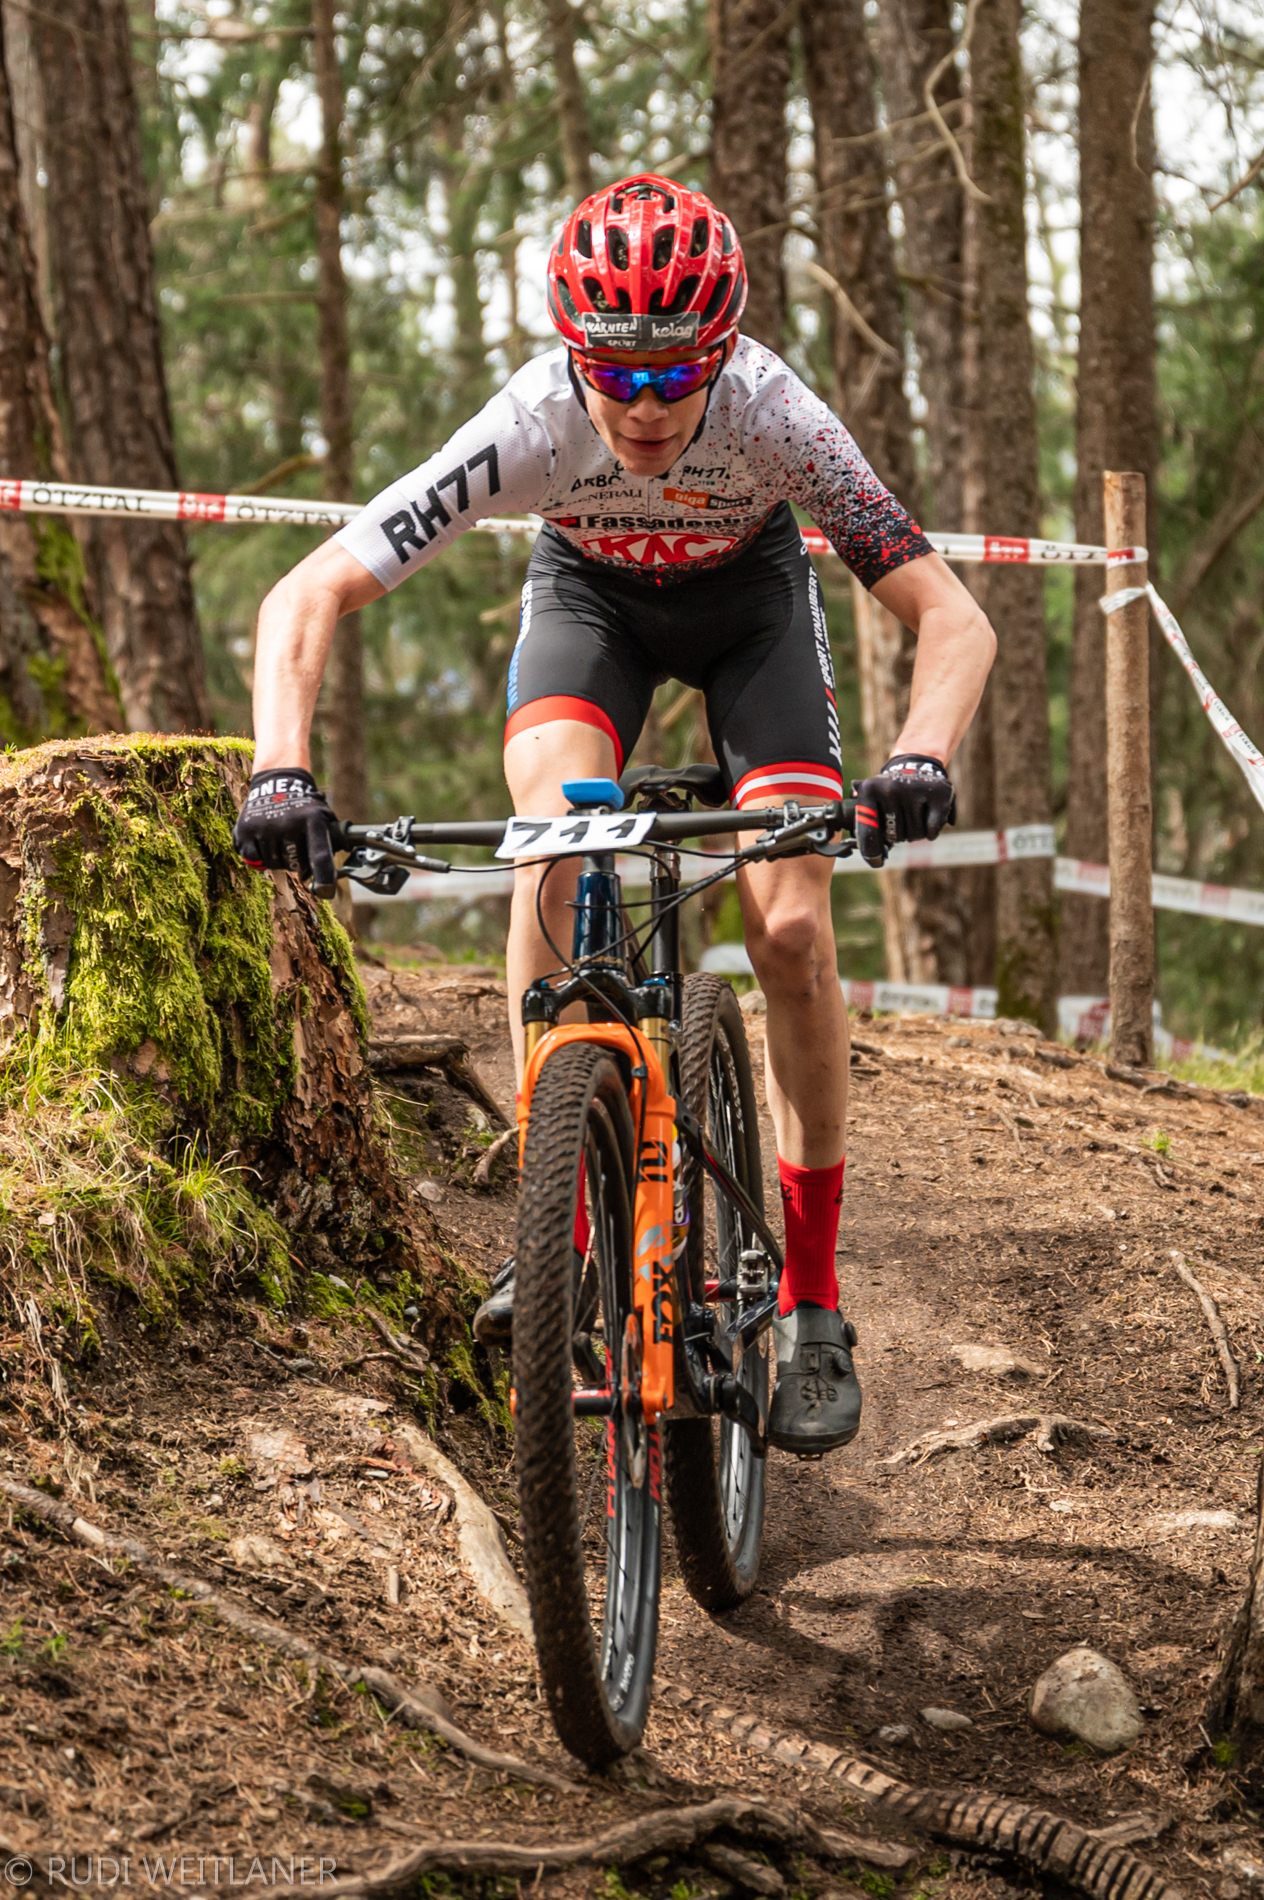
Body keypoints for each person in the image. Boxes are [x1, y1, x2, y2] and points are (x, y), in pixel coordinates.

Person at [236, 173, 995, 1456]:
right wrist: (279, 767)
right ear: (572, 356)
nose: (643, 407)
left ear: (725, 353)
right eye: (615, 376)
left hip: (751, 613)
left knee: (789, 928)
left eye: (676, 375)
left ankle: (813, 1301)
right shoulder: (531, 422)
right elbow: (304, 594)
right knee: (549, 837)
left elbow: (954, 620)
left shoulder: (775, 415)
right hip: (591, 608)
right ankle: (556, 1222)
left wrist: (919, 755)